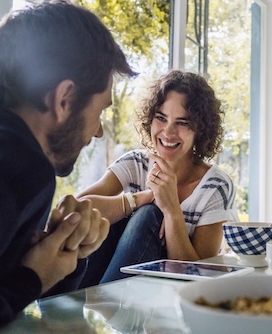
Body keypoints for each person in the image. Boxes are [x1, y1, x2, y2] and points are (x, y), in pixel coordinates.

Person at [0, 0, 136, 328]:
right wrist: (33, 277)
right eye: (100, 110)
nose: (98, 130)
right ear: (64, 99)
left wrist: (61, 259)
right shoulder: (21, 166)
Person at [77, 70, 239, 287]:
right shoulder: (136, 164)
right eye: (161, 118)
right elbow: (74, 211)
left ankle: (102, 309)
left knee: (148, 216)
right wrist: (144, 197)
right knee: (119, 215)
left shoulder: (215, 186)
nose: (168, 132)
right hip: (101, 283)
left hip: (169, 297)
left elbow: (197, 278)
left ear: (200, 130)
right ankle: (83, 306)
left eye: (182, 122)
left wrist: (171, 210)